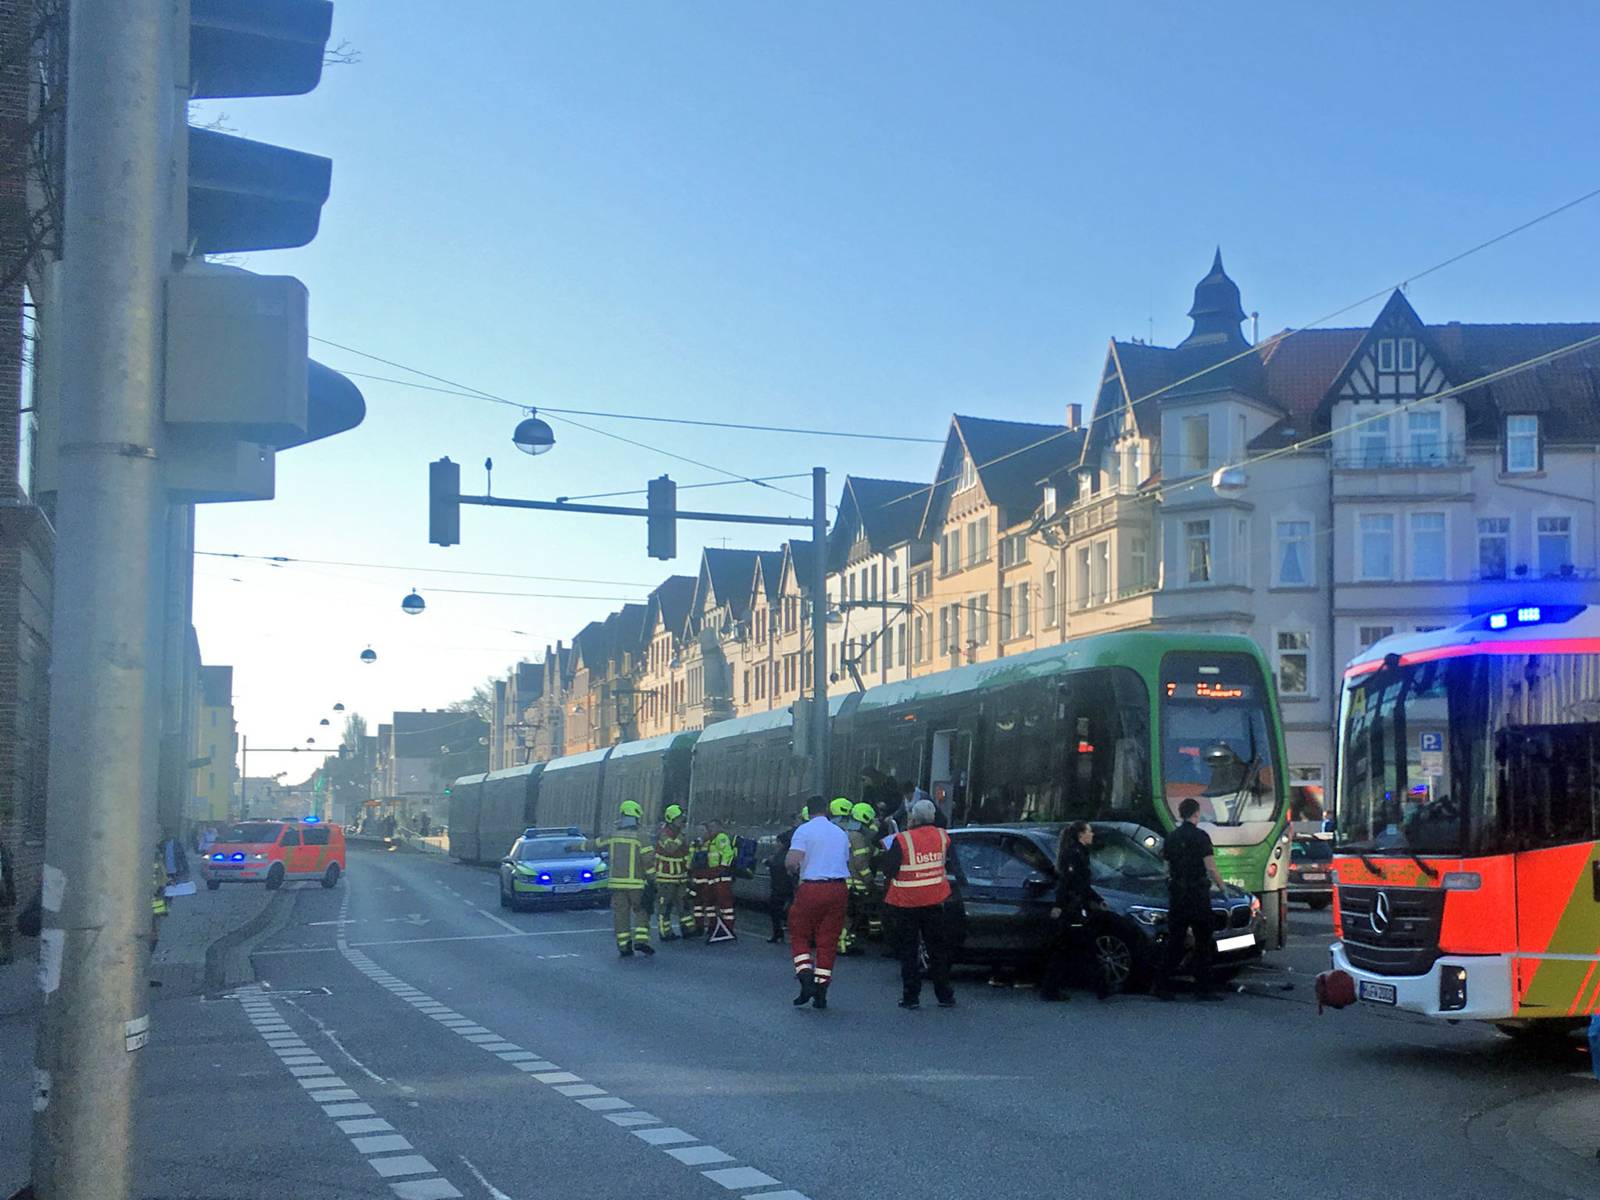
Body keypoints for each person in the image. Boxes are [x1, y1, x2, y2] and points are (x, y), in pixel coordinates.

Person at [881, 798, 956, 1009]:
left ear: (913, 817)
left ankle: (911, 996)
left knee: (909, 951)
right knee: (938, 950)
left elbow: (889, 870)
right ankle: (945, 995)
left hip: (906, 903)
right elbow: (950, 863)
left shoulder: (902, 840)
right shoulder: (943, 836)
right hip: (935, 901)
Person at [1154, 796, 1227, 1000]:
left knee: (1176, 941)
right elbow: (1210, 867)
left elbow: (1166, 868)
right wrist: (1222, 887)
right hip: (1197, 895)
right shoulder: (1201, 836)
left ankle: (1161, 985)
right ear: (1196, 813)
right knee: (1203, 942)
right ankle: (1202, 988)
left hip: (1178, 895)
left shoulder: (1172, 837)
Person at [786, 795, 852, 1010]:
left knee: (800, 933)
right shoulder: (840, 833)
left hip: (812, 888)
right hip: (838, 889)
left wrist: (792, 870)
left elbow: (793, 861)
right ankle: (821, 990)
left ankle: (805, 977)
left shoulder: (804, 831)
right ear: (827, 810)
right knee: (828, 939)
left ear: (808, 810)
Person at [1040, 821, 1109, 1001]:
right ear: (1081, 835)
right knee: (1078, 947)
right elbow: (1069, 882)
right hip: (1074, 907)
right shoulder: (1074, 854)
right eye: (1089, 831)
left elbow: (1081, 883)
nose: (1092, 834)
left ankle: (1099, 986)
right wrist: (1059, 905)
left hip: (1077, 905)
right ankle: (1100, 986)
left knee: (1072, 947)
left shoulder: (1079, 853)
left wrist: (1096, 899)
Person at [592, 800, 656, 958]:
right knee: (642, 911)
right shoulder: (642, 837)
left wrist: (572, 847)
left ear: (622, 815)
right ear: (637, 818)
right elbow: (648, 861)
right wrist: (653, 880)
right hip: (637, 885)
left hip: (616, 885)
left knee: (621, 915)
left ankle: (624, 946)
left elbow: (594, 844)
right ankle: (641, 940)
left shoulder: (613, 836)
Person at [832, 798, 871, 957]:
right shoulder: (857, 836)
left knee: (845, 914)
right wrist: (869, 880)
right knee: (850, 915)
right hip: (854, 884)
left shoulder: (839, 832)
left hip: (838, 881)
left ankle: (846, 942)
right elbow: (861, 862)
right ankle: (843, 945)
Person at [653, 804, 693, 941]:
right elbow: (671, 848)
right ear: (671, 819)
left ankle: (688, 930)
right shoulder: (663, 834)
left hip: (680, 877)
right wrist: (681, 837)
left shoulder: (679, 834)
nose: (682, 821)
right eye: (679, 819)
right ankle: (665, 933)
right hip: (666, 878)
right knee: (665, 907)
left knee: (684, 904)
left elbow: (686, 852)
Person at [767, 808, 802, 943]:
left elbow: (780, 841)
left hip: (781, 873)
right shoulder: (803, 833)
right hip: (791, 874)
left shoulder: (791, 834)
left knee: (777, 904)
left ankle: (778, 933)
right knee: (794, 904)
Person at [705, 820, 737, 941]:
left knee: (724, 902)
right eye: (709, 827)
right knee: (710, 901)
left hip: (720, 874)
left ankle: (728, 928)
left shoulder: (721, 837)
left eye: (713, 826)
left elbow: (727, 853)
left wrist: (723, 867)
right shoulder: (712, 840)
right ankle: (713, 926)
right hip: (713, 873)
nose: (710, 829)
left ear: (719, 827)